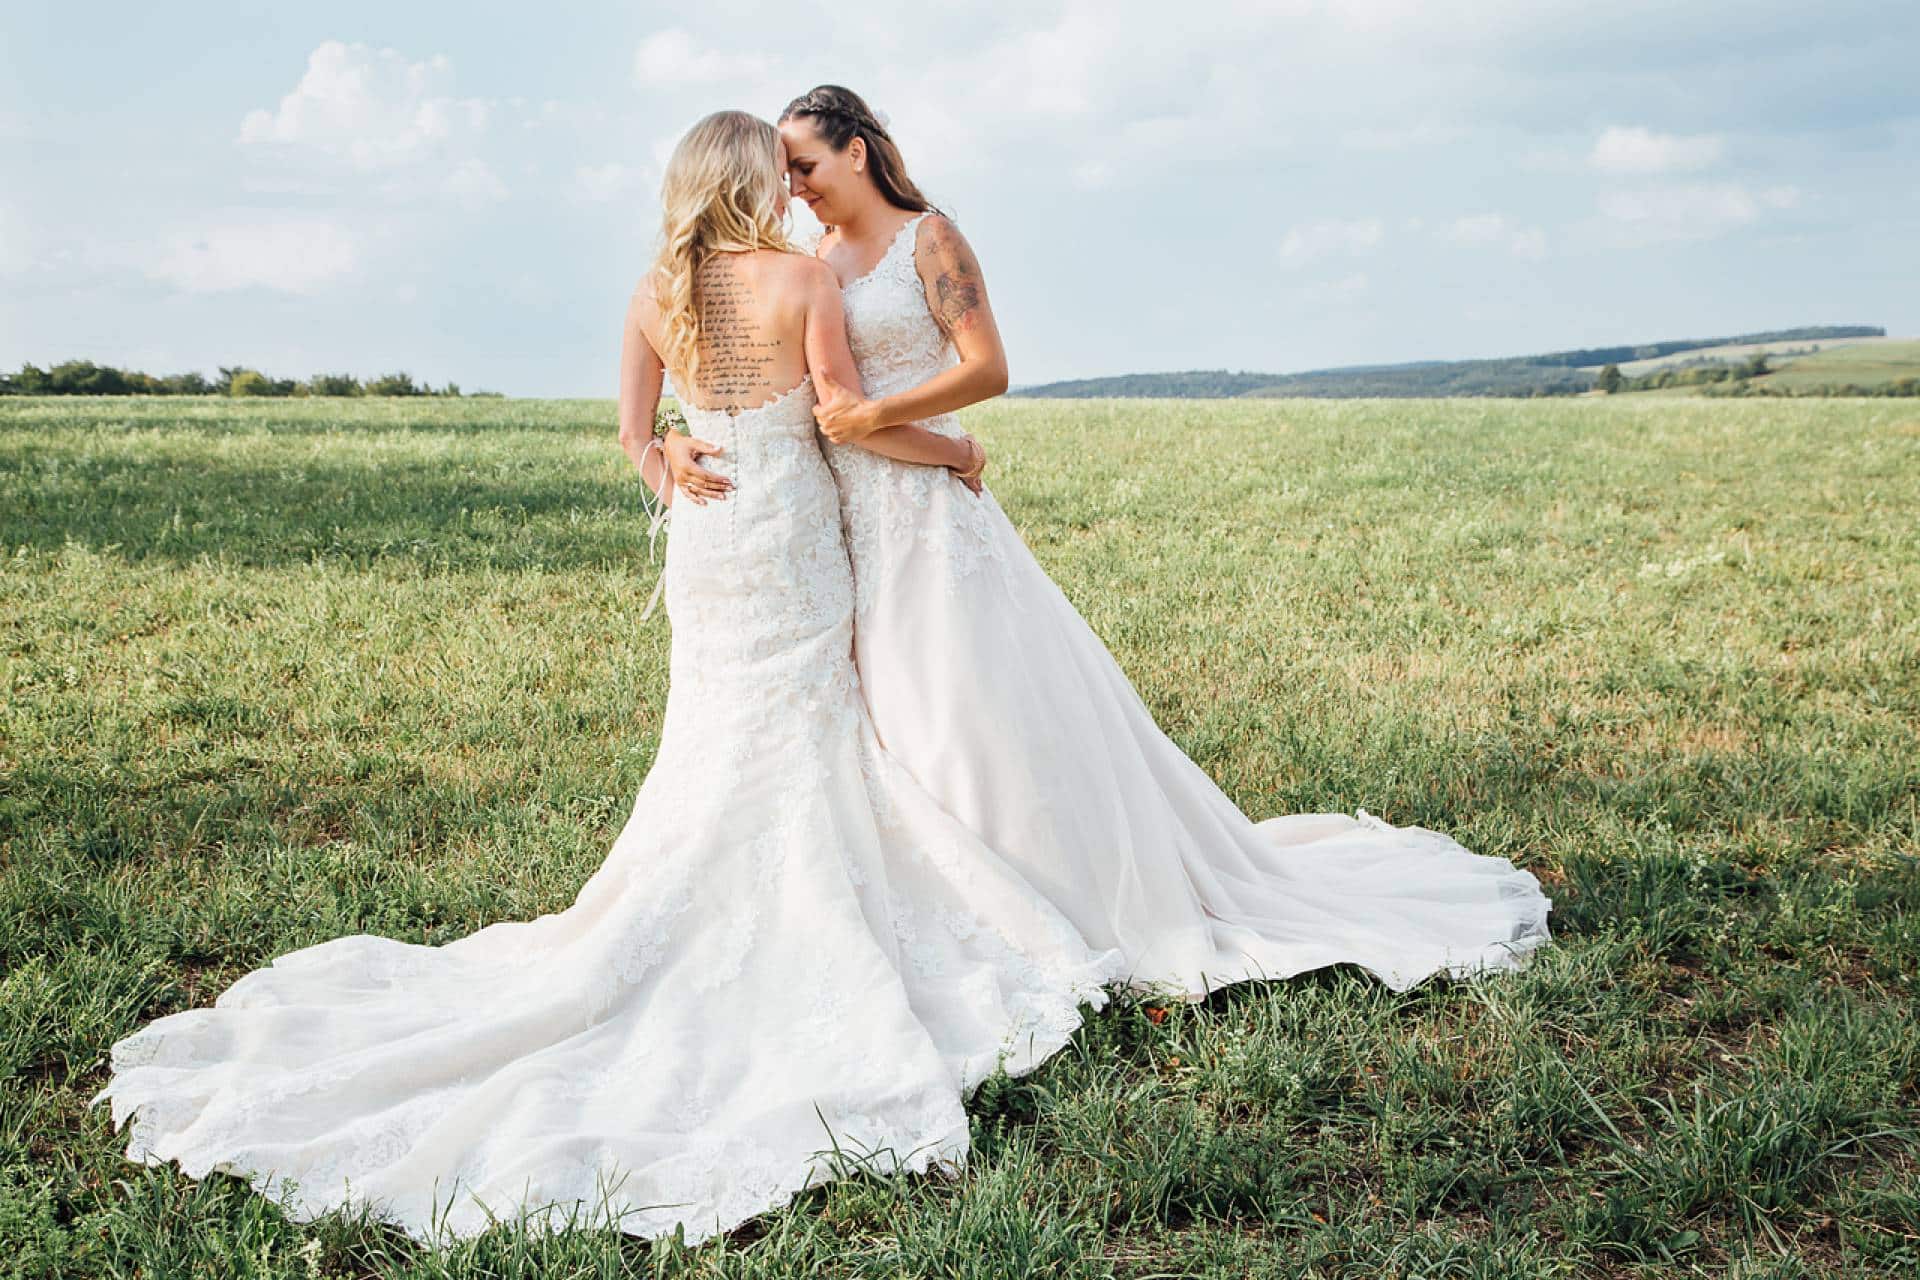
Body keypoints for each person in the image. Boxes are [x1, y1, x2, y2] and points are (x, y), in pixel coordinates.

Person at [88, 109, 1128, 1246]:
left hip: (708, 547)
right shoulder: (801, 286)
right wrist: (958, 450)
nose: (790, 188)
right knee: (809, 723)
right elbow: (840, 427)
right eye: (774, 172)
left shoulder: (652, 294)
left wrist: (674, 458)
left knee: (717, 734)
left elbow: (637, 440)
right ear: (743, 182)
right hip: (787, 539)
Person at [665, 85, 1553, 1000]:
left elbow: (989, 369)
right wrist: (680, 439)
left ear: (857, 151)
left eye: (804, 164)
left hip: (927, 510)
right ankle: (937, 892)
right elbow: (766, 378)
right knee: (892, 713)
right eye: (784, 171)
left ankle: (1057, 895)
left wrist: (888, 420)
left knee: (964, 702)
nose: (794, 184)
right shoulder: (811, 258)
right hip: (844, 514)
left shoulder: (928, 238)